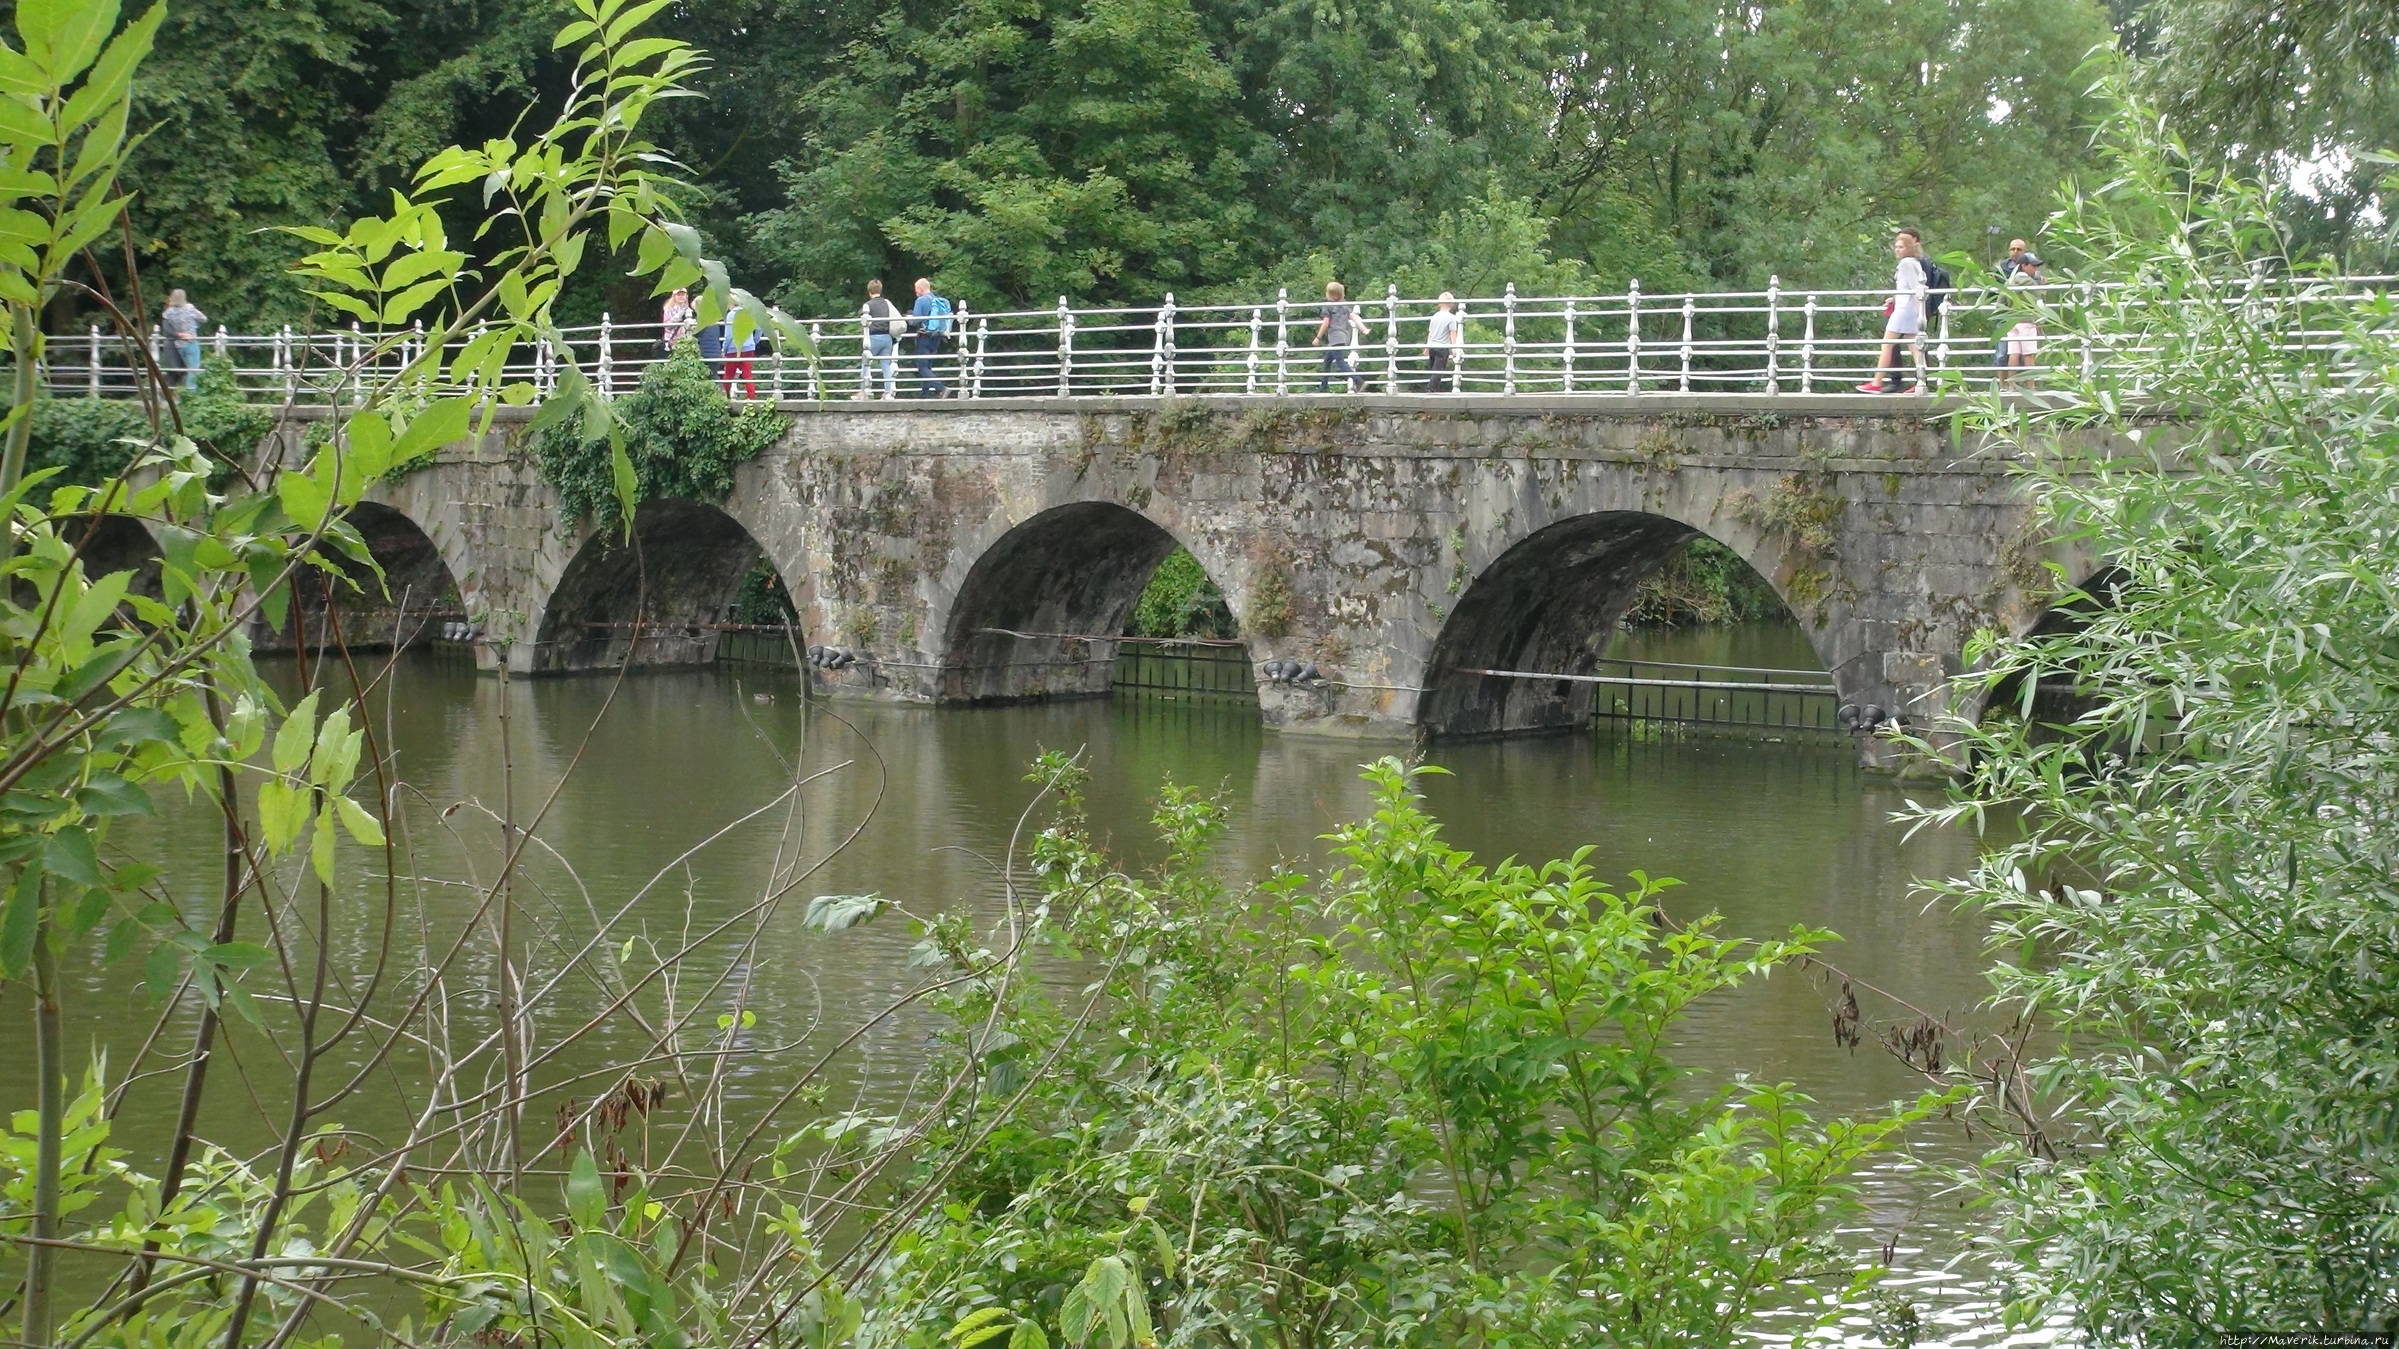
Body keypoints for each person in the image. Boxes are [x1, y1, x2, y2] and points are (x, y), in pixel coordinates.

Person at [1858, 228, 1929, 393]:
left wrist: (1921, 313)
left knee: (1887, 344)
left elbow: (1915, 290)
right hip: (1907, 309)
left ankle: (1877, 382)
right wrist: (1896, 299)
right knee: (1914, 346)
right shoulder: (1914, 263)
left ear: (1909, 248)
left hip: (1904, 311)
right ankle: (1922, 381)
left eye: (1901, 247)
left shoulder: (1906, 264)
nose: (1897, 250)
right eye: (1896, 247)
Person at [1999, 253, 2042, 389]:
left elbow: (2000, 302)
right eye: (2033, 266)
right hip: (2027, 321)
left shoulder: (2009, 283)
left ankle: (2012, 384)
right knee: (2028, 355)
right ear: (2024, 266)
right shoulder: (2031, 283)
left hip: (2012, 321)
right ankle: (2031, 385)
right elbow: (2039, 304)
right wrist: (2040, 322)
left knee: (2013, 354)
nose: (2035, 269)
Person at [1312, 281, 1359, 392]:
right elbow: (1353, 317)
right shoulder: (1344, 306)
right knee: (1327, 361)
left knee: (1341, 363)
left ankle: (1358, 380)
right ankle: (1324, 386)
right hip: (1343, 336)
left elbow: (1326, 323)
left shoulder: (1328, 306)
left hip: (1335, 338)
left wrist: (1318, 337)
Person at [908, 277, 951, 398]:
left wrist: (908, 318)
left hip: (924, 337)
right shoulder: (936, 300)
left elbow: (915, 321)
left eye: (916, 290)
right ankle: (924, 394)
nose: (916, 293)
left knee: (922, 366)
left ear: (921, 289)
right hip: (936, 337)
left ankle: (941, 388)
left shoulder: (921, 300)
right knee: (928, 367)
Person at [861, 280, 902, 399]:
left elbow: (862, 319)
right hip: (887, 338)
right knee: (886, 366)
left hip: (874, 337)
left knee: (865, 363)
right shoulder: (886, 303)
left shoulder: (868, 305)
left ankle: (864, 391)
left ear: (869, 292)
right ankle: (887, 392)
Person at [160, 289, 205, 389]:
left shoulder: (169, 312)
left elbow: (166, 327)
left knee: (188, 368)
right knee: (194, 368)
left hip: (179, 344)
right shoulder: (190, 309)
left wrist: (179, 334)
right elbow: (203, 318)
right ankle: (191, 392)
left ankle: (186, 390)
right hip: (191, 341)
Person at [1423, 292, 1463, 392]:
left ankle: (1434, 388)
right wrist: (1454, 349)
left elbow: (1430, 333)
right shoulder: (1451, 318)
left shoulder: (1434, 316)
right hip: (1442, 347)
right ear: (1451, 304)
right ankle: (1431, 388)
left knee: (1434, 368)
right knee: (1439, 370)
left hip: (1432, 345)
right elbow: (1452, 334)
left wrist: (1427, 346)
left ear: (1439, 303)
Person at [723, 317, 761, 399]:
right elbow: (759, 327)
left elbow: (729, 335)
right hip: (748, 348)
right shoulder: (749, 313)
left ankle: (727, 396)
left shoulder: (731, 314)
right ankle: (751, 399)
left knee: (728, 375)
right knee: (747, 375)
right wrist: (754, 341)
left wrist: (724, 349)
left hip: (733, 348)